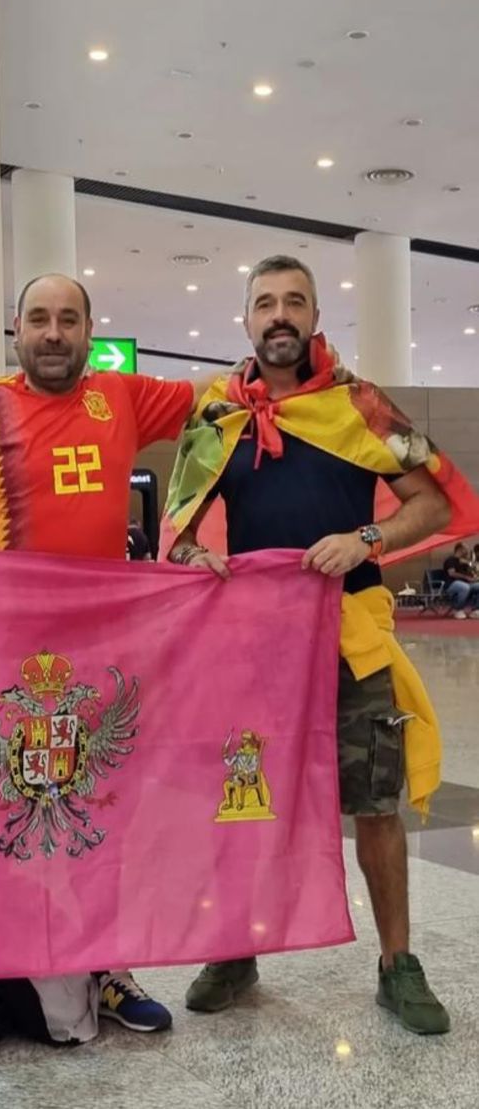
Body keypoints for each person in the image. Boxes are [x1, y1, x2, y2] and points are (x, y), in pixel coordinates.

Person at [0, 272, 205, 1060]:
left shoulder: (125, 396)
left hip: (103, 657)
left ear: (90, 328)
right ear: (17, 328)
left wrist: (194, 524)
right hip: (4, 659)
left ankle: (108, 966)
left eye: (69, 319)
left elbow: (224, 411)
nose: (54, 332)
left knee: (101, 813)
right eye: (40, 318)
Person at [167, 253, 455, 1036]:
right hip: (250, 645)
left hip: (350, 634)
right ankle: (235, 949)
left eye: (295, 301)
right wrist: (196, 556)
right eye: (266, 302)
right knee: (241, 799)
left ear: (315, 317)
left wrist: (366, 537)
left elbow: (430, 505)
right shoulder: (215, 417)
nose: (279, 315)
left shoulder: (359, 405)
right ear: (248, 319)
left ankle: (398, 963)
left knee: (375, 801)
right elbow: (180, 531)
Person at [442, 542, 479, 619]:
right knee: (464, 587)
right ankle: (458, 609)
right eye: (466, 549)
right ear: (460, 549)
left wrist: (473, 577)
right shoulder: (450, 560)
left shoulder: (464, 562)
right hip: (452, 584)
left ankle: (476, 610)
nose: (468, 551)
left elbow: (469, 574)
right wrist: (467, 578)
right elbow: (451, 573)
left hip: (466, 583)